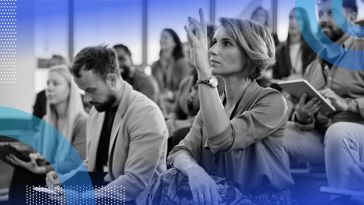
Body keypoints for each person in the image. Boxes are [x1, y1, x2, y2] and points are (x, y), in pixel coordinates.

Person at [148, 10, 294, 205]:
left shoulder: (273, 101)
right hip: (222, 193)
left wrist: (204, 73)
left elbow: (223, 139)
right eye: (214, 42)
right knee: (171, 177)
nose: (212, 50)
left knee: (175, 183)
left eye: (226, 43)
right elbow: (178, 152)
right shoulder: (214, 104)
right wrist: (194, 171)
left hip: (261, 199)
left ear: (250, 53)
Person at [48, 46, 168, 204]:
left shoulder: (146, 114)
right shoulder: (97, 111)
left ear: (112, 80)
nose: (87, 99)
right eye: (84, 92)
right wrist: (65, 178)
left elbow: (134, 182)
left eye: (91, 90)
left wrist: (83, 198)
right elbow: (95, 162)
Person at [283, 0, 364, 168]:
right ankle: (275, 191)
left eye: (331, 13)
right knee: (273, 130)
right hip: (322, 139)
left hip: (356, 136)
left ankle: (344, 194)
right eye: (320, 14)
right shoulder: (313, 66)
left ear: (352, 17)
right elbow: (307, 119)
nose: (323, 19)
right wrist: (302, 116)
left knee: (338, 132)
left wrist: (349, 105)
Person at [7, 65, 88, 204]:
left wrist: (42, 169)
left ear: (69, 89)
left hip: (68, 178)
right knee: (22, 171)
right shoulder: (46, 120)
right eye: (48, 83)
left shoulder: (83, 122)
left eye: (55, 83)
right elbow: (40, 152)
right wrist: (33, 157)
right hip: (49, 173)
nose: (49, 88)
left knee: (31, 178)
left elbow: (75, 163)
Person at [151, 28, 192, 115]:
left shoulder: (182, 63)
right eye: (161, 37)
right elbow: (153, 88)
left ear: (174, 43)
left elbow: (187, 90)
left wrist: (170, 95)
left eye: (165, 37)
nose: (162, 40)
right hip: (158, 104)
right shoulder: (155, 65)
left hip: (177, 106)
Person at [273, 7, 317, 80]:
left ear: (305, 22)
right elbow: (275, 78)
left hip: (307, 90)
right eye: (291, 17)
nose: (292, 21)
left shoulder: (313, 49)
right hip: (284, 91)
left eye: (297, 18)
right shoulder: (279, 50)